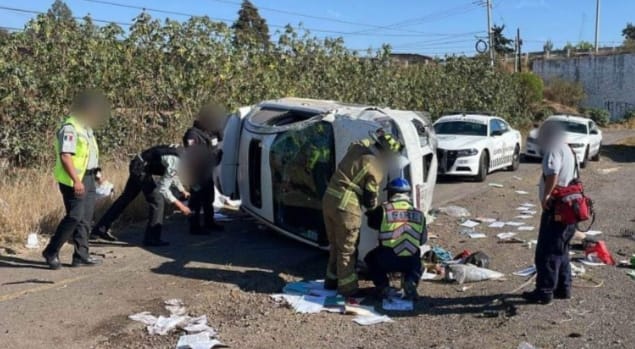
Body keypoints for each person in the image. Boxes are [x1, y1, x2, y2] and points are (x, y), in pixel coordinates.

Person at [322, 129, 403, 297]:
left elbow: (361, 142)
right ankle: (348, 289)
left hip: (328, 200)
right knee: (347, 250)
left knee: (335, 246)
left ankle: (331, 281)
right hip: (346, 208)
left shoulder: (357, 148)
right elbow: (370, 198)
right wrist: (375, 213)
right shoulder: (376, 168)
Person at [42, 90, 109, 269]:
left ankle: (81, 255)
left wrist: (97, 173)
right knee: (74, 216)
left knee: (86, 218)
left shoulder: (86, 128)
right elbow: (66, 156)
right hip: (73, 180)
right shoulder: (70, 128)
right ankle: (51, 251)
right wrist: (76, 180)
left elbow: (89, 154)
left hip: (88, 177)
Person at [91, 144, 193, 246]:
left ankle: (100, 229)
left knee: (125, 199)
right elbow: (163, 188)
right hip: (141, 169)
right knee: (157, 201)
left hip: (138, 164)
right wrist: (181, 206)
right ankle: (151, 239)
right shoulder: (177, 160)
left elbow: (171, 174)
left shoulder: (180, 153)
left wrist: (182, 190)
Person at [522, 121, 577, 304]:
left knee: (547, 252)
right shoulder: (568, 149)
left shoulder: (554, 149)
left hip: (557, 207)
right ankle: (564, 288)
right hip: (571, 207)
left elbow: (553, 173)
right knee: (562, 250)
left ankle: (544, 292)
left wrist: (546, 197)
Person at [364, 177, 426, 300]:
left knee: (369, 258)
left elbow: (372, 225)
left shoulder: (384, 209)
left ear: (391, 193)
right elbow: (423, 240)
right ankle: (411, 281)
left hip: (387, 259)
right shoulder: (419, 214)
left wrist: (371, 211)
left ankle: (383, 286)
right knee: (420, 263)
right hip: (411, 262)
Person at [182, 103, 225, 235]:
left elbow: (220, 140)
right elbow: (192, 155)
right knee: (196, 200)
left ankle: (209, 222)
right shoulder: (193, 134)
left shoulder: (210, 132)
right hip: (197, 173)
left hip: (207, 172)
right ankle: (194, 227)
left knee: (208, 198)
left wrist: (218, 130)